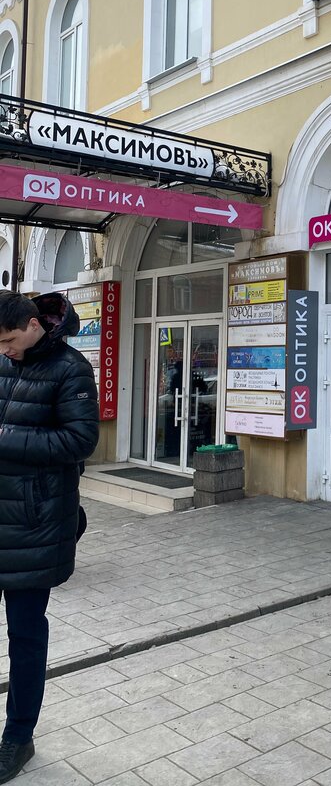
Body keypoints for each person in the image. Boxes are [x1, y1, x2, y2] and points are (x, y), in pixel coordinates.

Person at [0, 290, 98, 782]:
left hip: (33, 523)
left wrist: (3, 439)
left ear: (34, 325)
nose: (5, 351)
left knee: (25, 634)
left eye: (9, 341)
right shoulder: (2, 359)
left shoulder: (72, 369)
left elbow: (80, 441)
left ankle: (19, 736)